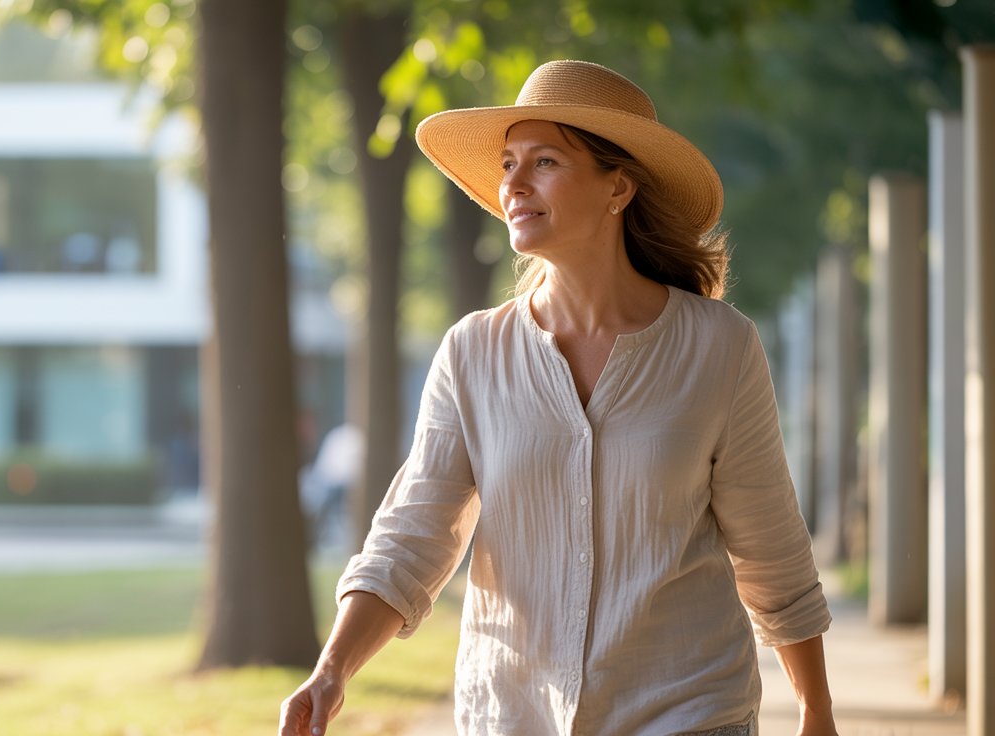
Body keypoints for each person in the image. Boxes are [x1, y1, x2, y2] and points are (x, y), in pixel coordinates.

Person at [279, 60, 837, 736]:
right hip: (514, 714)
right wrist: (332, 669)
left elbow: (769, 547)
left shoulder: (719, 348)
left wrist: (816, 710)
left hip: (686, 709)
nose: (512, 183)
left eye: (544, 161)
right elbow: (412, 538)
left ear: (618, 186)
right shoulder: (472, 353)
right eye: (509, 163)